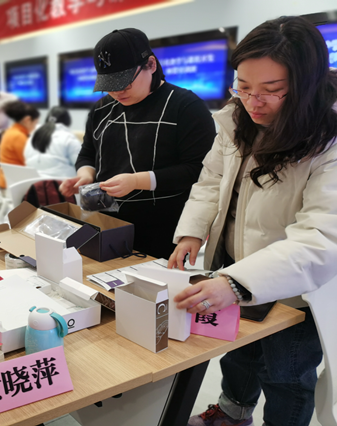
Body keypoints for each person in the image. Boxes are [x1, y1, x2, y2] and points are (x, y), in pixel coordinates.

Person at [168, 16, 337, 426]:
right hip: (234, 267)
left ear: (306, 85)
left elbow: (320, 236)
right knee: (239, 352)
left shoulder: (328, 138)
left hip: (294, 287)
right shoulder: (235, 120)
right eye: (242, 87)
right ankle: (231, 414)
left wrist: (235, 283)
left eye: (271, 91)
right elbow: (211, 179)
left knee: (286, 374)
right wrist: (192, 231)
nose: (252, 102)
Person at [59, 28, 216, 259]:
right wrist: (85, 174)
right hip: (104, 222)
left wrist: (137, 181)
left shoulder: (186, 107)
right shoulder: (102, 109)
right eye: (109, 85)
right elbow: (88, 153)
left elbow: (198, 171)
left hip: (161, 229)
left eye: (124, 84)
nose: (116, 93)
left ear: (150, 64)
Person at [24, 106, 81, 179]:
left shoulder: (33, 135)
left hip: (32, 182)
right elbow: (81, 164)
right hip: (61, 183)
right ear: (68, 122)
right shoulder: (67, 137)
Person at [0, 100, 40, 189]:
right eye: (36, 123)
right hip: (14, 185)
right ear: (27, 120)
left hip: (8, 182)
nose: (35, 127)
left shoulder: (11, 131)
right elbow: (30, 162)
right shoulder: (18, 136)